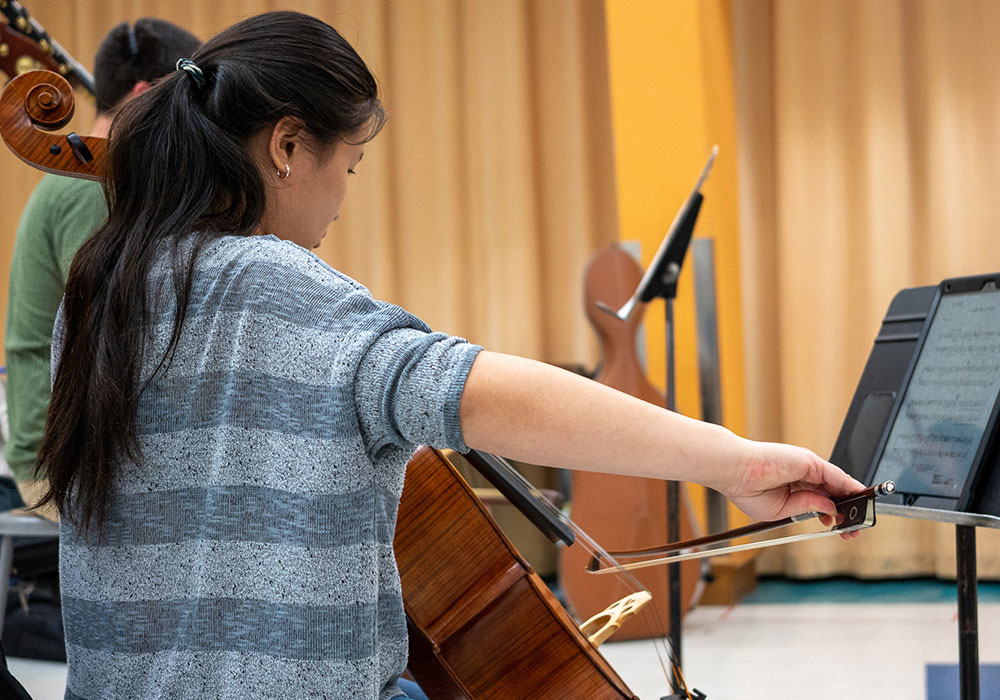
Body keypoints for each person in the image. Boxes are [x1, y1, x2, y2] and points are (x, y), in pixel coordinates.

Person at [33, 11, 864, 700]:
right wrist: (732, 461)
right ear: (287, 148)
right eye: (349, 165)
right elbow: (477, 394)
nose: (343, 201)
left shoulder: (101, 282)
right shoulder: (273, 278)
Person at [3, 18, 200, 516]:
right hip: (62, 462)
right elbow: (108, 337)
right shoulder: (92, 184)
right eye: (191, 103)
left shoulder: (105, 177)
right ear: (141, 97)